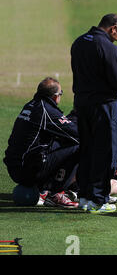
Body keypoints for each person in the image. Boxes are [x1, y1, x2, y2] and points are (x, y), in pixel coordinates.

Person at [71, 13, 117, 213]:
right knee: (106, 152)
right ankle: (98, 200)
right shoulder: (109, 47)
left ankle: (85, 196)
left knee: (87, 149)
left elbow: (95, 71)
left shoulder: (79, 42)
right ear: (113, 28)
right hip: (103, 106)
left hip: (81, 104)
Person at [3, 77, 79, 208]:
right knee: (79, 145)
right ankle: (54, 193)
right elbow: (76, 133)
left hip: (14, 167)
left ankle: (43, 189)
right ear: (55, 97)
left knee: (61, 142)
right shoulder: (47, 110)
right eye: (61, 94)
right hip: (27, 170)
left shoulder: (30, 105)